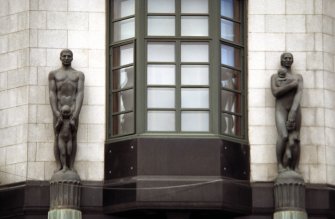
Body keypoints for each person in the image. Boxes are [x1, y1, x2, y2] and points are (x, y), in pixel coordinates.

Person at [48, 49, 85, 172]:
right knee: (57, 136)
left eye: (69, 56)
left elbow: (80, 93)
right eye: (64, 56)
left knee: (73, 137)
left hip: (73, 110)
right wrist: (55, 111)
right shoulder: (54, 74)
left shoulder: (78, 75)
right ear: (60, 57)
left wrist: (76, 113)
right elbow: (52, 93)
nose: (66, 58)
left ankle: (72, 165)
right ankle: (59, 164)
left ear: (72, 58)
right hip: (59, 110)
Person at [271, 52, 303, 173]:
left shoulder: (298, 77)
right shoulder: (275, 77)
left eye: (290, 58)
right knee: (283, 136)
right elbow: (276, 92)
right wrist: (291, 85)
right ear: (281, 60)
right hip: (281, 109)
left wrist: (293, 112)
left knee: (295, 138)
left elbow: (299, 94)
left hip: (295, 108)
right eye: (285, 58)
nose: (288, 60)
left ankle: (295, 166)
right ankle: (280, 165)